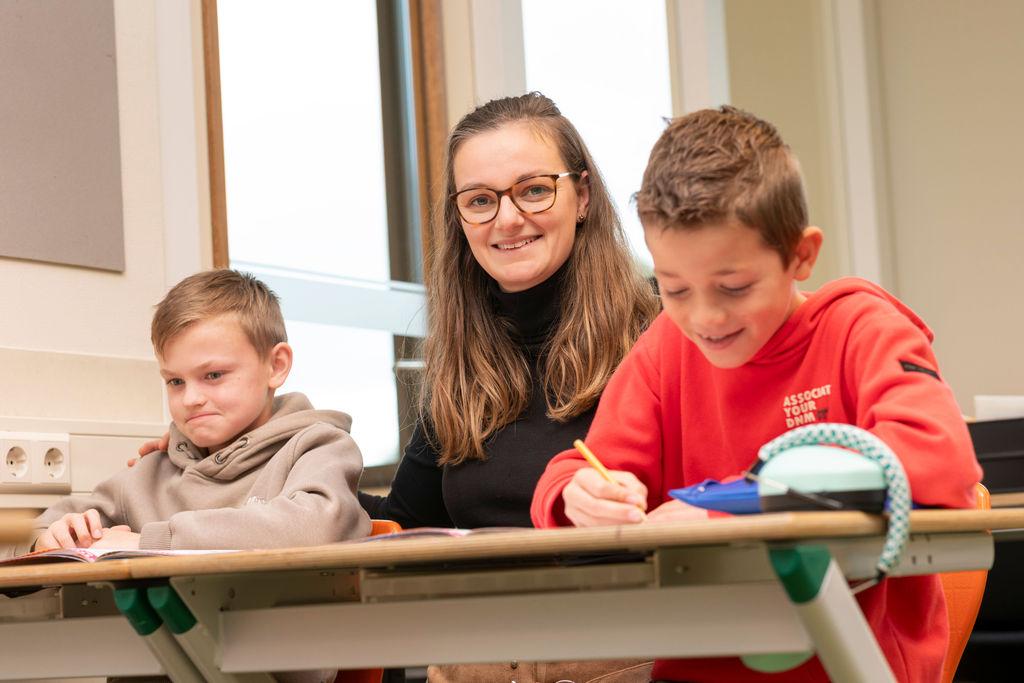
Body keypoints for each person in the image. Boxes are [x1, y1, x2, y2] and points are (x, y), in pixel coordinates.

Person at [531, 106, 982, 682]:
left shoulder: (860, 331)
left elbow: (938, 461)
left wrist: (729, 511)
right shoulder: (668, 346)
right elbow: (578, 468)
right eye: (675, 289)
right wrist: (578, 495)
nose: (706, 317)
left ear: (801, 255)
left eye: (735, 287)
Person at [363, 93, 660, 682]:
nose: (507, 219)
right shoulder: (462, 367)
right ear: (459, 219)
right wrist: (274, 470)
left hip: (628, 655)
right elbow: (403, 525)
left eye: (533, 190)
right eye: (480, 200)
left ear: (583, 196)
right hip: (481, 662)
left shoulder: (660, 335)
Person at [7, 269, 369, 557]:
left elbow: (317, 526)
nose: (191, 398)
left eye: (213, 375)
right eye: (175, 381)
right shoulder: (149, 473)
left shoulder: (319, 448)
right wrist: (48, 538)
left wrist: (149, 541)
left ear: (276, 366)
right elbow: (24, 539)